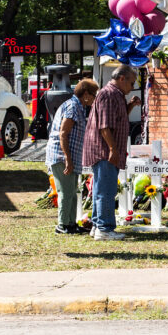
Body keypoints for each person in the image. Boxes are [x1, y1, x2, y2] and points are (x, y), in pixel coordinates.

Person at [83, 65, 141, 241]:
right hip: (104, 150)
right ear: (122, 78)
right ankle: (104, 228)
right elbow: (105, 126)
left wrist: (130, 105)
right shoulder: (109, 94)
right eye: (131, 83)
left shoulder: (115, 95)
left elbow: (118, 117)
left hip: (104, 149)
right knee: (106, 190)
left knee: (102, 188)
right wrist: (113, 149)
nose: (132, 87)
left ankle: (97, 225)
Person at [45, 78, 99, 234]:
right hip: (61, 156)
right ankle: (62, 225)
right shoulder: (72, 107)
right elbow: (63, 133)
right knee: (66, 192)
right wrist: (67, 158)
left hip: (70, 155)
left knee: (73, 191)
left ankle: (71, 223)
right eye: (94, 94)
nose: (95, 98)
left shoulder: (79, 107)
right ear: (86, 94)